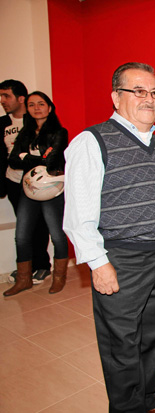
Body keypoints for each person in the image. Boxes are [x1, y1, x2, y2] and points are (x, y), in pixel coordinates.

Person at [63, 62, 155, 413]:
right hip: (121, 258)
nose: (149, 99)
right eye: (138, 91)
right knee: (122, 343)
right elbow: (78, 214)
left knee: (152, 336)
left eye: (154, 92)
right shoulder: (92, 141)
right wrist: (98, 264)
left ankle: (145, 399)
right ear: (116, 97)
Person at [3, 91, 69, 296]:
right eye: (31, 105)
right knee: (21, 236)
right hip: (28, 189)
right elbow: (13, 160)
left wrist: (26, 157)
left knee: (57, 235)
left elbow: (52, 162)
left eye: (41, 104)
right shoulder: (25, 133)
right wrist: (35, 158)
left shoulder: (59, 132)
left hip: (51, 189)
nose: (36, 108)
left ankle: (59, 277)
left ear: (49, 107)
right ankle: (24, 279)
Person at [1, 79, 52, 284]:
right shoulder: (2, 123)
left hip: (35, 182)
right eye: (1, 96)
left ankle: (42, 266)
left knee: (39, 224)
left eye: (6, 96)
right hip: (12, 180)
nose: (3, 101)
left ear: (21, 98)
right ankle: (26, 267)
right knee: (23, 227)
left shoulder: (34, 122)